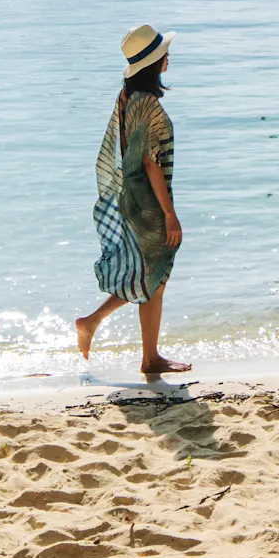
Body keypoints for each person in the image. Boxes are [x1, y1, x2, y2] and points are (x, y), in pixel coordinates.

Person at [76, 23, 187, 379]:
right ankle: (143, 354)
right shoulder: (146, 103)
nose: (168, 57)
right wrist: (169, 214)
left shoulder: (127, 97)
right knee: (154, 272)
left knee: (152, 273)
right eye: (163, 54)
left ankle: (102, 328)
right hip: (146, 201)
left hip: (132, 197)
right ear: (154, 64)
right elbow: (149, 162)